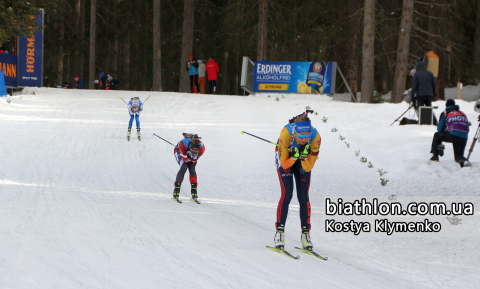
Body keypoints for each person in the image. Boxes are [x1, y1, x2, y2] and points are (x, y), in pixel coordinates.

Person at [274, 112, 321, 250]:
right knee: (287, 193)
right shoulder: (285, 134)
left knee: (303, 196)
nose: (305, 139)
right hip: (286, 157)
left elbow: (308, 167)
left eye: (307, 136)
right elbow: (284, 165)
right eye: (301, 136)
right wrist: (294, 157)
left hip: (302, 158)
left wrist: (304, 157)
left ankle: (306, 235)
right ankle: (279, 233)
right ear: (295, 133)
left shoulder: (316, 137)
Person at [430, 99, 471, 167]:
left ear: (446, 106)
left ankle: (435, 156)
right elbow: (467, 128)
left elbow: (439, 128)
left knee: (437, 135)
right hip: (464, 137)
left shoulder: (445, 113)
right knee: (458, 156)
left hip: (453, 135)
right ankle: (464, 162)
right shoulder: (462, 113)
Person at [173, 133, 205, 202]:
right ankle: (176, 190)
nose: (194, 154)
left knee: (192, 168)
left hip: (188, 152)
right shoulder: (183, 145)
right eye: (193, 152)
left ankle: (194, 192)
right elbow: (185, 159)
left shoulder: (202, 148)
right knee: (184, 167)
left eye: (196, 152)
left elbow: (194, 159)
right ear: (190, 147)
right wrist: (188, 157)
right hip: (179, 151)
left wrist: (192, 157)